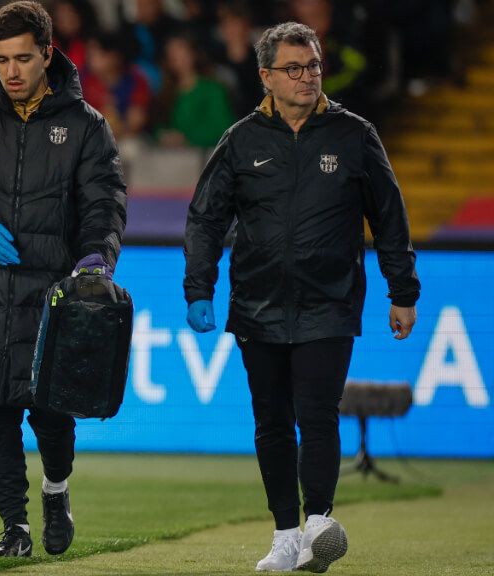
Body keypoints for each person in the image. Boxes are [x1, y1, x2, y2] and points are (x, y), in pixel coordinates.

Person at [182, 22, 419, 573]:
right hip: (257, 304)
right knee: (270, 420)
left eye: (313, 66)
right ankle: (286, 534)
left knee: (317, 414)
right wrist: (199, 288)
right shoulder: (241, 140)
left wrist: (402, 290)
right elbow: (205, 219)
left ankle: (317, 523)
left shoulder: (354, 134)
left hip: (329, 302)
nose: (307, 77)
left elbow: (389, 216)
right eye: (294, 68)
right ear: (266, 76)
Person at [0, 0, 126, 558]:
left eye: (22, 58)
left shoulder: (86, 127)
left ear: (47, 55)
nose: (11, 71)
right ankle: (15, 528)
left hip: (55, 294)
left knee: (51, 414)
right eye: (1, 59)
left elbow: (105, 203)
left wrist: (96, 259)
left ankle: (56, 490)